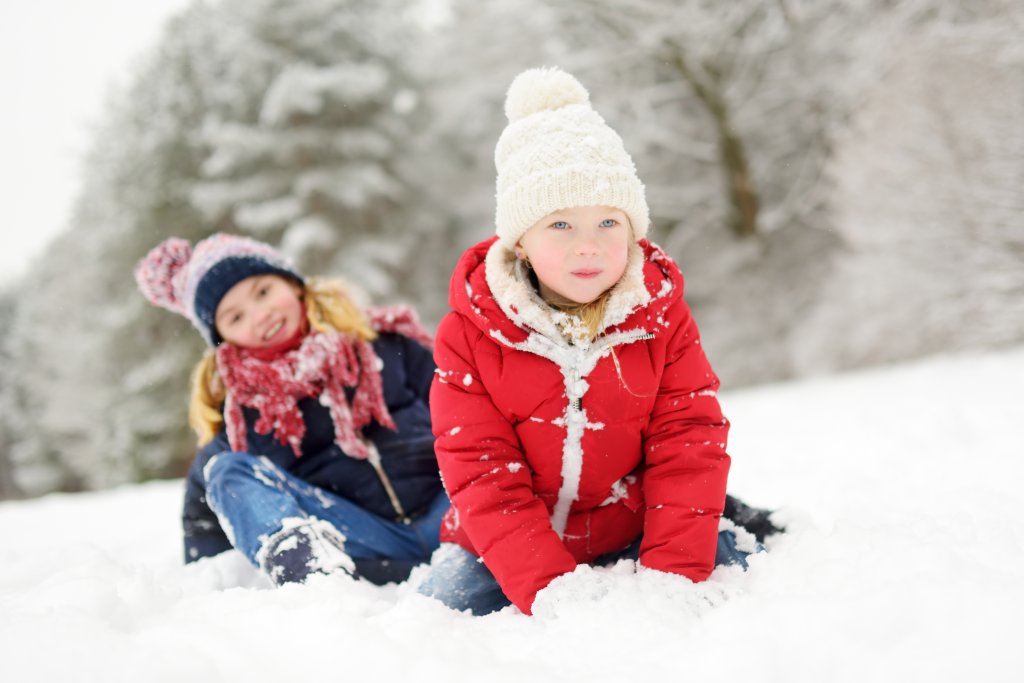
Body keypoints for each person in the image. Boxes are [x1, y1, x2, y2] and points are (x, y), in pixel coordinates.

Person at [416, 67, 779, 615]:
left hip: (633, 524)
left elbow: (688, 440)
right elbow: (483, 473)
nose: (588, 246)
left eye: (608, 223)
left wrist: (673, 575)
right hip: (505, 548)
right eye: (560, 225)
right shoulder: (469, 334)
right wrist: (553, 594)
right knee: (442, 613)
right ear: (521, 242)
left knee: (738, 582)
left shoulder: (660, 317)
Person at [134, 233, 446, 586]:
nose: (260, 315)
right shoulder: (244, 413)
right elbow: (206, 501)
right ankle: (313, 575)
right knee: (227, 469)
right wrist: (208, 574)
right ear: (223, 339)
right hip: (361, 542)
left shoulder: (384, 344)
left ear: (295, 284)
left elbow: (466, 412)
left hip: (449, 514)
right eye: (235, 317)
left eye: (263, 292)